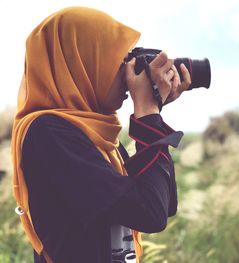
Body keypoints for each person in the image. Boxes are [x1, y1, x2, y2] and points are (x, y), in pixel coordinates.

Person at [11, 6, 191, 263]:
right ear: (80, 63)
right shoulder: (49, 133)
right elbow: (150, 213)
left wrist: (153, 114)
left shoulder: (96, 133)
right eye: (118, 62)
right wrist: (148, 113)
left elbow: (163, 201)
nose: (126, 75)